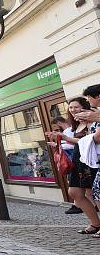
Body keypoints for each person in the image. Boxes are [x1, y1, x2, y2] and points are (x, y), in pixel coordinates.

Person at [50, 96, 100, 235]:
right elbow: (79, 142)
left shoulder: (92, 119)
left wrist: (65, 138)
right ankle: (96, 223)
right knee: (74, 193)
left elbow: (90, 140)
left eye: (76, 107)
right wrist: (61, 141)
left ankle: (96, 224)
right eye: (70, 107)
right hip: (79, 160)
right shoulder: (76, 123)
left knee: (95, 194)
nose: (73, 110)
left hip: (91, 160)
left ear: (85, 106)